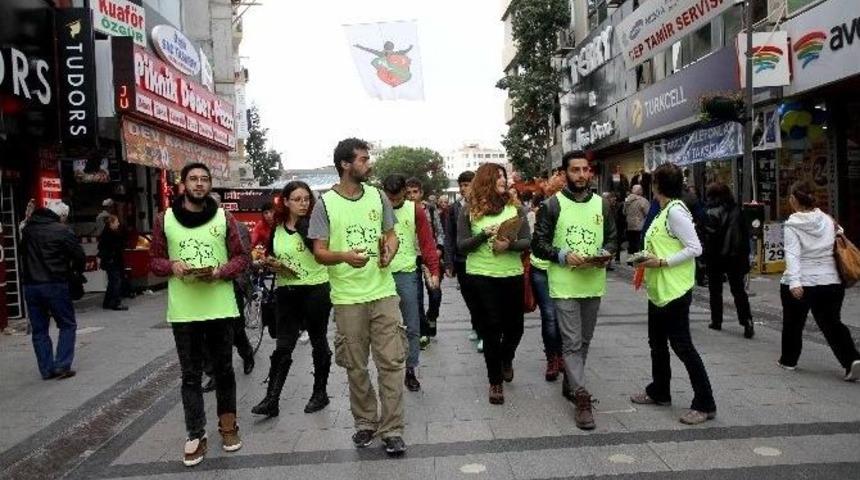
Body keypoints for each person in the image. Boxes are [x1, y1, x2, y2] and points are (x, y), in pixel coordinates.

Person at [308, 138, 407, 456]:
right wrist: (344, 257)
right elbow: (319, 252)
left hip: (383, 292)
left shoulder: (379, 197)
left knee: (391, 362)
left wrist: (388, 253)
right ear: (345, 165)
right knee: (356, 366)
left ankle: (392, 429)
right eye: (363, 159)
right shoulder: (324, 204)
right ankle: (366, 423)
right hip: (348, 298)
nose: (369, 164)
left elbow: (391, 235)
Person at [149, 163, 248, 467]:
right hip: (184, 310)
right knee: (190, 376)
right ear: (182, 184)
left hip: (220, 305)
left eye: (204, 179)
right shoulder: (164, 219)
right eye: (193, 179)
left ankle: (228, 425)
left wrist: (221, 271)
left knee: (224, 370)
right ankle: (195, 433)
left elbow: (242, 256)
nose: (200, 184)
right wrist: (172, 266)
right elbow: (153, 260)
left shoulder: (224, 217)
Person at [532, 152, 617, 430]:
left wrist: (607, 253)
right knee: (570, 342)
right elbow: (538, 245)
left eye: (585, 170)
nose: (581, 175)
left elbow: (614, 238)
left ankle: (570, 383)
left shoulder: (602, 205)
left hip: (593, 281)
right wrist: (562, 255)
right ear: (565, 173)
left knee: (584, 341)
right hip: (564, 284)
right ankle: (581, 398)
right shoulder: (551, 205)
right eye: (575, 170)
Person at [630, 163, 717, 426]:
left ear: (656, 185)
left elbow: (695, 248)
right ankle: (660, 390)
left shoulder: (675, 212)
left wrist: (662, 262)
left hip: (675, 290)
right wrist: (643, 259)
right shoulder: (664, 209)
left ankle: (705, 402)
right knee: (656, 343)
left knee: (682, 346)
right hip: (659, 290)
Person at [252, 181, 334, 417]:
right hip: (286, 292)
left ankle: (320, 393)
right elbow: (270, 254)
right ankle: (271, 399)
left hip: (315, 290)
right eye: (297, 199)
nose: (303, 203)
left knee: (318, 340)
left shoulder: (314, 225)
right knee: (283, 346)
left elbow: (324, 254)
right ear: (285, 202)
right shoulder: (276, 227)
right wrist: (266, 262)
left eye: (306, 199)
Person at [457, 163, 531, 405]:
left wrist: (508, 245)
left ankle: (506, 358)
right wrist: (483, 235)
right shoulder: (469, 209)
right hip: (481, 276)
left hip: (511, 274)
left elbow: (527, 241)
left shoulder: (515, 208)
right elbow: (462, 245)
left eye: (504, 175)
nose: (503, 179)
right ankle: (495, 381)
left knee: (515, 328)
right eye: (498, 176)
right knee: (491, 329)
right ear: (487, 180)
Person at [778, 181, 860, 381]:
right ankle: (851, 360)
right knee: (832, 322)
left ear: (795, 200)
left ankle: (789, 360)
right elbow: (840, 238)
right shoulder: (828, 220)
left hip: (803, 280)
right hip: (831, 280)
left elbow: (793, 255)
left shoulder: (792, 225)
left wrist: (795, 282)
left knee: (793, 323)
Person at [382, 174, 441, 392]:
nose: (393, 203)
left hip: (407, 273)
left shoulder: (415, 210)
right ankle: (388, 368)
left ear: (405, 193)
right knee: (385, 327)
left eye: (397, 199)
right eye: (390, 199)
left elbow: (427, 242)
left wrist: (434, 270)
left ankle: (411, 369)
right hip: (381, 274)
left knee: (412, 325)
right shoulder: (376, 208)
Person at [21, 201, 85, 380]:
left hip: (31, 285)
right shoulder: (62, 231)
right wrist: (75, 272)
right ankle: (62, 365)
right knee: (67, 324)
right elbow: (79, 256)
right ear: (62, 216)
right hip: (55, 283)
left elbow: (22, 253)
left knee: (39, 330)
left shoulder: (28, 230)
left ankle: (47, 369)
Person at [201, 192, 255, 393]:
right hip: (205, 288)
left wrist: (230, 276)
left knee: (235, 328)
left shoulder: (236, 227)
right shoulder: (196, 228)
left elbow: (244, 259)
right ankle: (213, 373)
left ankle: (246, 352)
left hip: (231, 284)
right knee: (206, 332)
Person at [702, 183, 754, 338]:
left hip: (715, 256)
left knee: (715, 290)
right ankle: (747, 321)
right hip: (735, 256)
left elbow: (709, 235)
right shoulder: (738, 210)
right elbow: (745, 235)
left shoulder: (710, 211)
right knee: (738, 291)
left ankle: (716, 320)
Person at [444, 171, 484, 352]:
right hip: (461, 259)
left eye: (467, 184)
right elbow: (449, 236)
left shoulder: (485, 205)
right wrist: (449, 263)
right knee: (469, 296)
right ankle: (476, 324)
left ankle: (484, 331)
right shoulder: (454, 208)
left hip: (481, 259)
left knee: (482, 296)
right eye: (461, 185)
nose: (463, 188)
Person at [405, 177, 444, 348]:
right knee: (417, 296)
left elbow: (440, 231)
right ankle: (423, 331)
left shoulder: (430, 209)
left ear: (421, 193)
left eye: (415, 192)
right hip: (411, 257)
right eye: (409, 193)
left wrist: (439, 249)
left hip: (429, 256)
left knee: (435, 293)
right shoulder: (403, 210)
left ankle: (432, 316)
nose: (412, 195)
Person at [98, 214, 129, 311]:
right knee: (116, 281)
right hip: (113, 260)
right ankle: (116, 302)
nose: (118, 224)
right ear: (111, 223)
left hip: (110, 261)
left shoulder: (106, 233)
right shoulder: (111, 234)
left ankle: (107, 302)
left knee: (112, 282)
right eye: (116, 222)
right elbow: (117, 246)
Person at [623, 184, 649, 255]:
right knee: (638, 245)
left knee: (631, 245)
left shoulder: (627, 200)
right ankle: (637, 262)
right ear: (640, 191)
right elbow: (648, 213)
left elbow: (624, 212)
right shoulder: (643, 201)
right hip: (639, 226)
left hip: (629, 226)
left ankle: (630, 262)